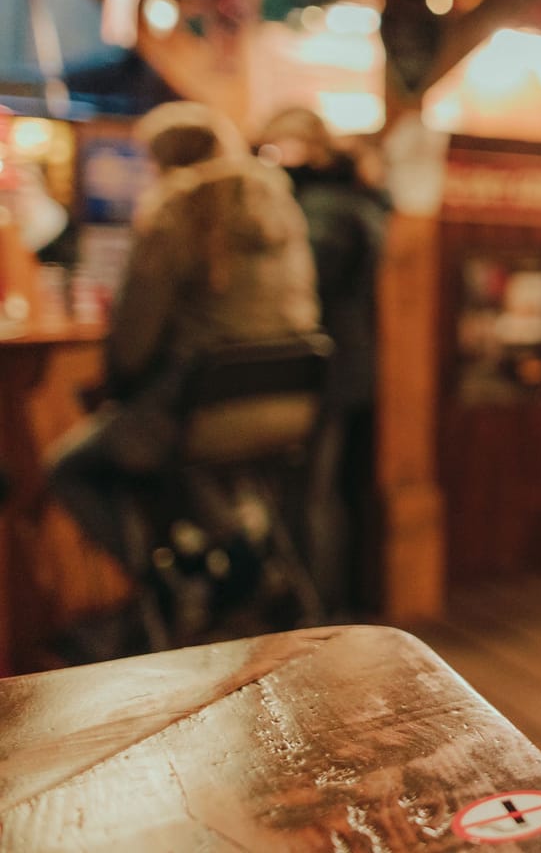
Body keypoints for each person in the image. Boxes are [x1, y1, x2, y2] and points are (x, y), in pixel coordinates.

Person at [44, 102, 318, 655]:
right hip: (288, 408)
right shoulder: (281, 206)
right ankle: (237, 560)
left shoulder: (176, 211)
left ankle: (167, 582)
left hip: (201, 414)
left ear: (162, 161)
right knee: (193, 468)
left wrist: (118, 381)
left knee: (70, 466)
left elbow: (133, 341)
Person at [259, 107, 391, 615]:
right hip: (350, 361)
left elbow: (310, 283)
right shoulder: (353, 198)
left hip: (325, 365)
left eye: (278, 148)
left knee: (312, 495)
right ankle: (335, 603)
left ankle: (314, 612)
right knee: (331, 491)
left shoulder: (321, 206)